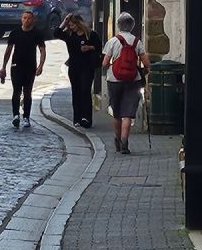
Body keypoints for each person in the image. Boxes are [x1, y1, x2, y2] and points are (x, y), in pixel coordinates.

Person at [101, 11, 151, 154]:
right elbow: (146, 63)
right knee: (127, 114)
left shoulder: (113, 41)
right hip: (133, 80)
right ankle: (125, 142)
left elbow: (104, 63)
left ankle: (117, 139)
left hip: (114, 80)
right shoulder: (137, 42)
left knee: (117, 113)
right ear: (132, 25)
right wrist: (144, 71)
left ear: (118, 25)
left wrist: (111, 64)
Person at [0, 9, 45, 129]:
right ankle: (16, 115)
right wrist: (3, 67)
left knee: (27, 92)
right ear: (21, 19)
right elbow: (8, 50)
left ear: (33, 20)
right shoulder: (15, 33)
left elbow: (42, 50)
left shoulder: (37, 33)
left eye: (29, 18)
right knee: (16, 91)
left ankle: (26, 117)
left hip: (30, 66)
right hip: (16, 66)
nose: (26, 20)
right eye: (24, 18)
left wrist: (41, 65)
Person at [59, 11, 102, 128]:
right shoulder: (69, 35)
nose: (71, 27)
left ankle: (86, 117)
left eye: (73, 24)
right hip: (74, 67)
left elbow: (99, 47)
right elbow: (57, 33)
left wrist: (89, 47)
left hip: (87, 67)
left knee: (85, 90)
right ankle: (77, 118)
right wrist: (64, 21)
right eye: (70, 25)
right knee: (76, 92)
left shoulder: (91, 34)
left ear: (79, 23)